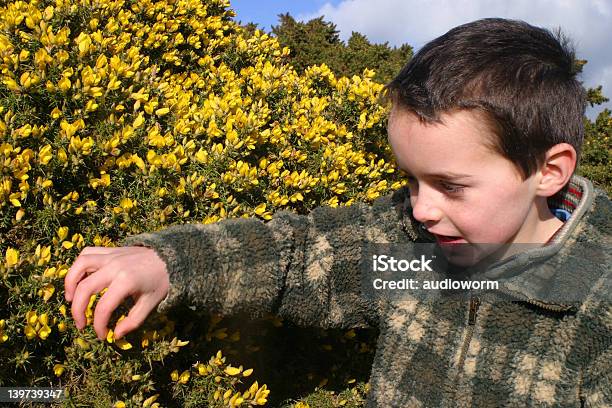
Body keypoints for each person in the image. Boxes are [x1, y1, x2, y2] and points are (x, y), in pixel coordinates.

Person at [64, 18, 611, 407]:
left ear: (549, 171)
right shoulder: (422, 255)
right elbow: (301, 256)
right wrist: (169, 262)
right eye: (411, 180)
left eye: (450, 185)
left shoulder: (597, 302)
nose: (422, 210)